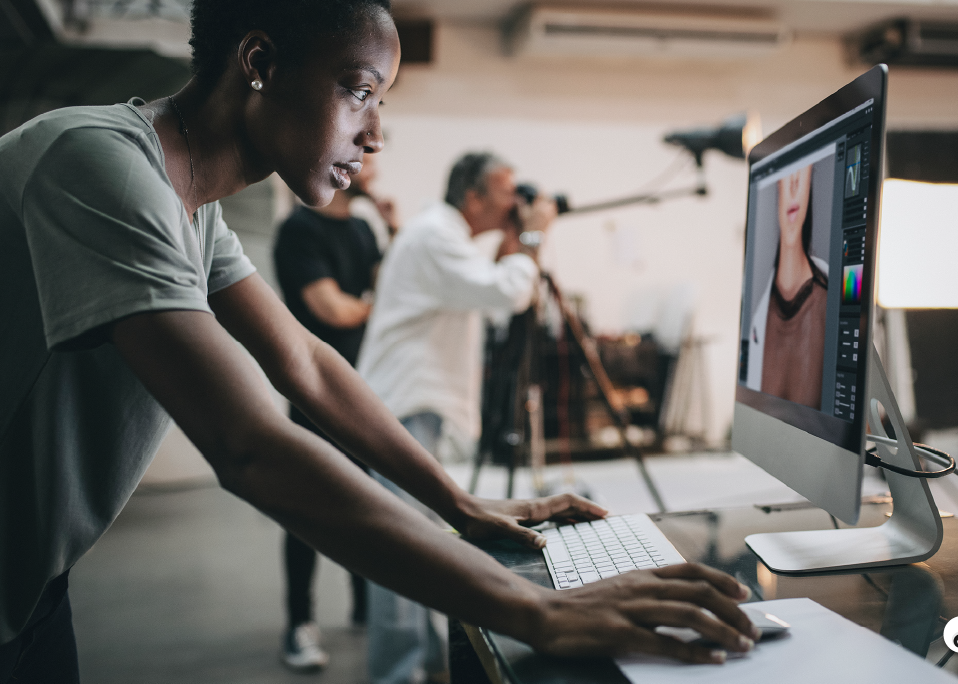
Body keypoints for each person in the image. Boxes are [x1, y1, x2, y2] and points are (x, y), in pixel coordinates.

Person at [0, 2, 759, 682]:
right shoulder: (95, 164)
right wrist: (536, 611)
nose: (376, 134)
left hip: (33, 584)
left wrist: (459, 504)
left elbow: (307, 366)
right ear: (259, 63)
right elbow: (246, 445)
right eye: (360, 91)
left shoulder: (192, 212)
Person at [353, 151, 558, 684]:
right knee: (402, 549)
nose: (517, 202)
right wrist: (534, 239)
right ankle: (397, 675)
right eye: (507, 191)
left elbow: (496, 295)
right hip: (404, 407)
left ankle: (421, 666)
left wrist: (519, 243)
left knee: (417, 542)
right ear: (473, 198)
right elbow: (506, 292)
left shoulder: (442, 236)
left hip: (411, 406)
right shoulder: (434, 237)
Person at [273, 183, 381, 671]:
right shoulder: (299, 229)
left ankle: (366, 606)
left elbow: (385, 284)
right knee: (309, 508)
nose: (372, 155)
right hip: (315, 391)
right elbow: (332, 309)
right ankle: (299, 623)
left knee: (369, 499)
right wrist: (373, 305)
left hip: (365, 387)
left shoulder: (363, 228)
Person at [746, 164, 829, 409]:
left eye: (802, 173)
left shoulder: (831, 306)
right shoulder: (757, 312)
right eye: (786, 176)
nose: (794, 185)